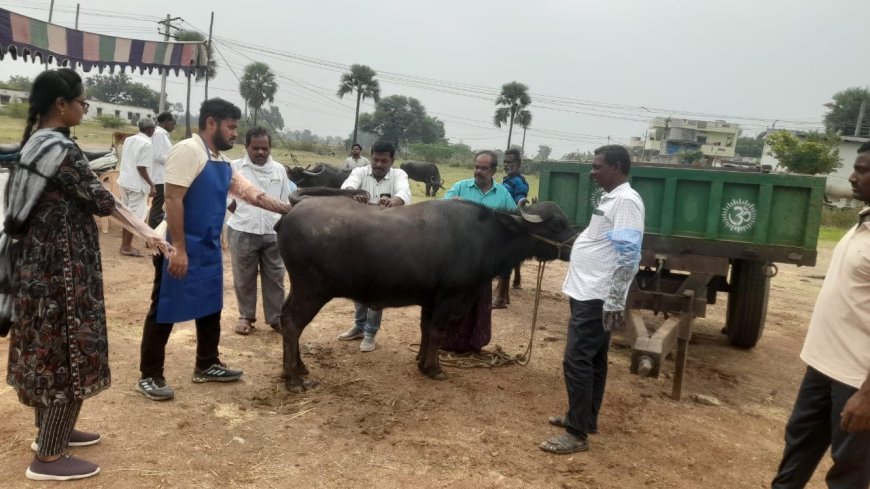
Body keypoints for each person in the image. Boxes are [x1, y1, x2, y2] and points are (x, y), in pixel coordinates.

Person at [1, 68, 172, 481]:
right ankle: (48, 458)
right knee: (66, 350)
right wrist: (151, 233)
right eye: (82, 103)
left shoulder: (35, 145)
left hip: (38, 270)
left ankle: (51, 433)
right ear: (62, 105)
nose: (85, 108)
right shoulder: (60, 149)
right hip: (61, 273)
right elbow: (103, 201)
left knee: (45, 348)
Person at [136, 98, 292, 401]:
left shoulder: (220, 159)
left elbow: (252, 194)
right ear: (212, 123)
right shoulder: (187, 151)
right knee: (165, 308)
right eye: (231, 127)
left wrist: (289, 209)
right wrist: (178, 249)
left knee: (210, 307)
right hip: (179, 245)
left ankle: (207, 364)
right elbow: (173, 200)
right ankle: (150, 375)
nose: (235, 133)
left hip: (207, 247)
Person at [770, 142, 870, 488]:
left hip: (857, 378)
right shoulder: (862, 221)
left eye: (862, 170)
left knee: (848, 472)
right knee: (796, 451)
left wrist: (867, 395)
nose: (852, 177)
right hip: (822, 367)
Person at [540, 144, 644, 455]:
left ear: (617, 167)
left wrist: (614, 300)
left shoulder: (626, 201)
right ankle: (585, 418)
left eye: (598, 166)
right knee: (595, 359)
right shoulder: (611, 198)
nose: (593, 171)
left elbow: (629, 255)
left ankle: (576, 434)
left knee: (577, 359)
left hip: (598, 295)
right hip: (588, 290)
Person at [337, 141, 411, 352]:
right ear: (371, 158)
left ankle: (370, 332)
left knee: (377, 288)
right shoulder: (360, 171)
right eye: (376, 159)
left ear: (392, 161)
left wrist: (395, 200)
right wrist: (355, 194)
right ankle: (359, 326)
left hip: (387, 242)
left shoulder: (398, 175)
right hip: (358, 239)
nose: (378, 164)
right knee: (357, 285)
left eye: (384, 160)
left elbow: (405, 193)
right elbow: (346, 187)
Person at [441, 150, 516, 353]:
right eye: (476, 167)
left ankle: (474, 343)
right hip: (457, 258)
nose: (478, 171)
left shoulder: (502, 194)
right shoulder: (460, 188)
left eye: (484, 168)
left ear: (493, 171)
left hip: (484, 260)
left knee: (479, 303)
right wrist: (452, 205)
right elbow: (440, 210)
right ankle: (447, 343)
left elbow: (513, 220)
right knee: (454, 301)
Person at [227, 127, 294, 335]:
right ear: (246, 146)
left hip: (273, 232)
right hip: (242, 229)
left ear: (270, 147)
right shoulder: (234, 168)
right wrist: (237, 209)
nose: (260, 152)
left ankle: (276, 318)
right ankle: (246, 317)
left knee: (275, 276)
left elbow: (285, 200)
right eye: (255, 148)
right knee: (244, 276)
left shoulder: (279, 170)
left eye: (264, 148)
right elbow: (225, 197)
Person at [492, 148, 530, 309]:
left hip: (510, 222)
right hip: (506, 220)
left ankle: (500, 295)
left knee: (503, 258)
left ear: (519, 164)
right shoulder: (509, 179)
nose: (507, 165)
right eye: (505, 162)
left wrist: (521, 203)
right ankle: (507, 290)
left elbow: (521, 196)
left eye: (511, 162)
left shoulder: (518, 182)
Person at [117, 118, 157, 256]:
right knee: (133, 218)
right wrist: (152, 185)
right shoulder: (147, 144)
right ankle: (126, 247)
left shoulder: (129, 139)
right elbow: (141, 167)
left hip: (125, 182)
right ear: (151, 129)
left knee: (127, 215)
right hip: (136, 185)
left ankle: (125, 245)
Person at [148, 111, 176, 228]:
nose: (174, 126)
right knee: (157, 207)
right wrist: (174, 159)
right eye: (173, 123)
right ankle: (154, 233)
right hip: (158, 177)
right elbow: (157, 156)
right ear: (166, 121)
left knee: (159, 206)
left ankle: (155, 232)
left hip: (162, 176)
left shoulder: (162, 134)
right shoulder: (159, 134)